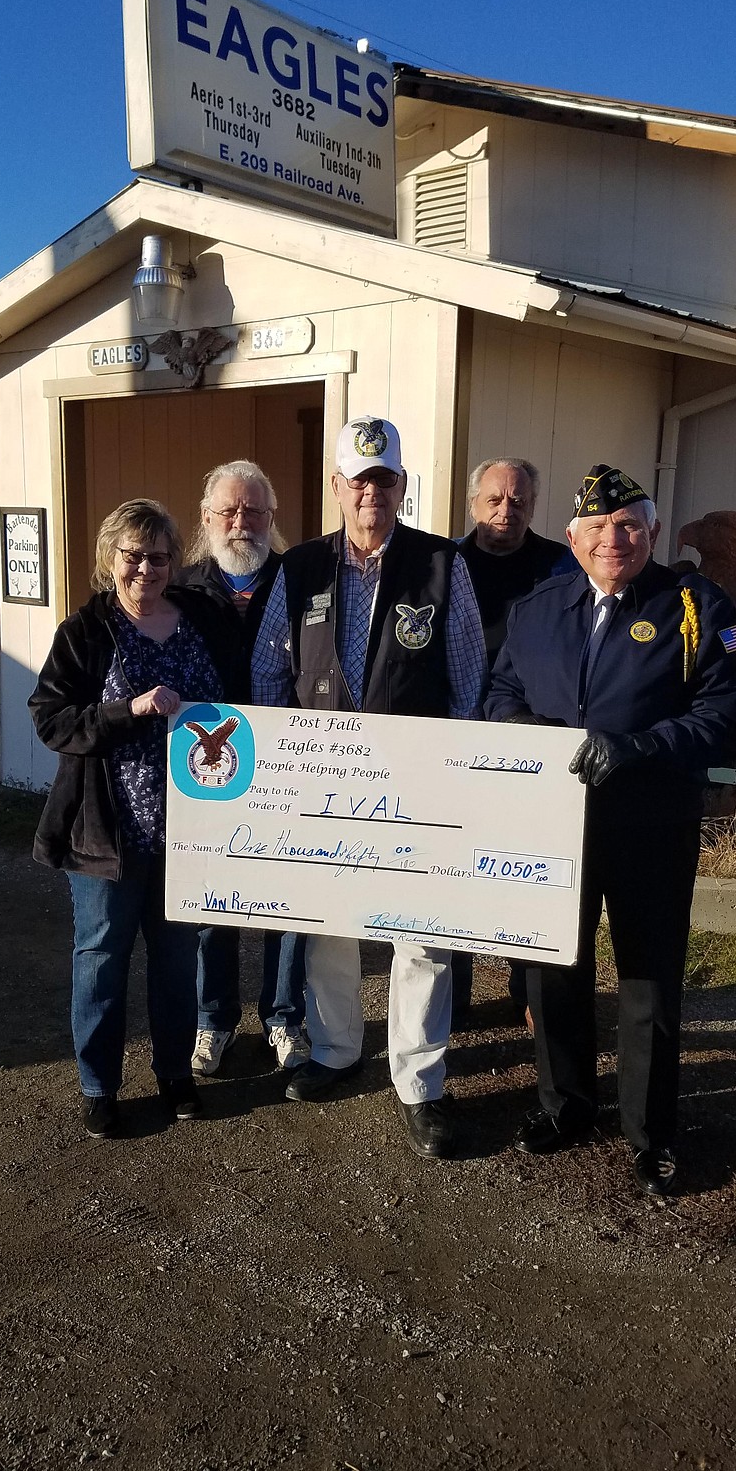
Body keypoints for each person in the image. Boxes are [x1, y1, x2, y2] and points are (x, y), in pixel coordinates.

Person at [486, 464, 736, 1196]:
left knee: (647, 983)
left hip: (650, 824)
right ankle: (565, 1106)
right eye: (598, 527)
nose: (613, 539)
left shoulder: (697, 605)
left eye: (628, 526)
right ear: (573, 537)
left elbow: (728, 720)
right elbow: (501, 688)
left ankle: (650, 1132)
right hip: (551, 827)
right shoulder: (539, 607)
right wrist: (518, 730)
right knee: (553, 971)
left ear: (654, 534)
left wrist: (639, 748)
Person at [252, 416, 487, 1159]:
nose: (369, 493)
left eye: (383, 480)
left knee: (422, 936)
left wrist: (450, 771)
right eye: (357, 480)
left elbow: (470, 677)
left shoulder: (442, 564)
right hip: (321, 780)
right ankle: (335, 1050)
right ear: (336, 487)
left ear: (401, 487)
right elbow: (268, 669)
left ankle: (420, 1084)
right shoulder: (299, 569)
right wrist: (281, 755)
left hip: (414, 784)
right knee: (330, 924)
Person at [29, 498, 242, 1138]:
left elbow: (244, 699)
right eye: (132, 555)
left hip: (192, 833)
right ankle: (99, 1086)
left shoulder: (203, 619)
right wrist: (128, 709)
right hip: (110, 831)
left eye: (158, 556)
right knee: (101, 959)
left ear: (176, 561)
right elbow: (51, 719)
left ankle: (175, 1075)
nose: (145, 568)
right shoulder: (87, 632)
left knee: (178, 961)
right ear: (109, 559)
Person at [174, 460, 309, 1075]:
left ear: (271, 518)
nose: (240, 522)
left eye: (253, 510)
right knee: (213, 906)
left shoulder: (301, 580)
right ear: (205, 519)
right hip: (208, 765)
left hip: (287, 765)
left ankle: (284, 1018)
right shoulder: (180, 590)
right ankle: (214, 1022)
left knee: (287, 901)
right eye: (227, 510)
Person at [451, 457, 574, 1024]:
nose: (507, 510)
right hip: (458, 735)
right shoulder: (445, 564)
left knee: (526, 870)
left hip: (531, 736)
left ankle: (528, 992)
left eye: (519, 501)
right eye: (495, 499)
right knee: (452, 865)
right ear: (474, 503)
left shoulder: (561, 566)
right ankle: (451, 995)